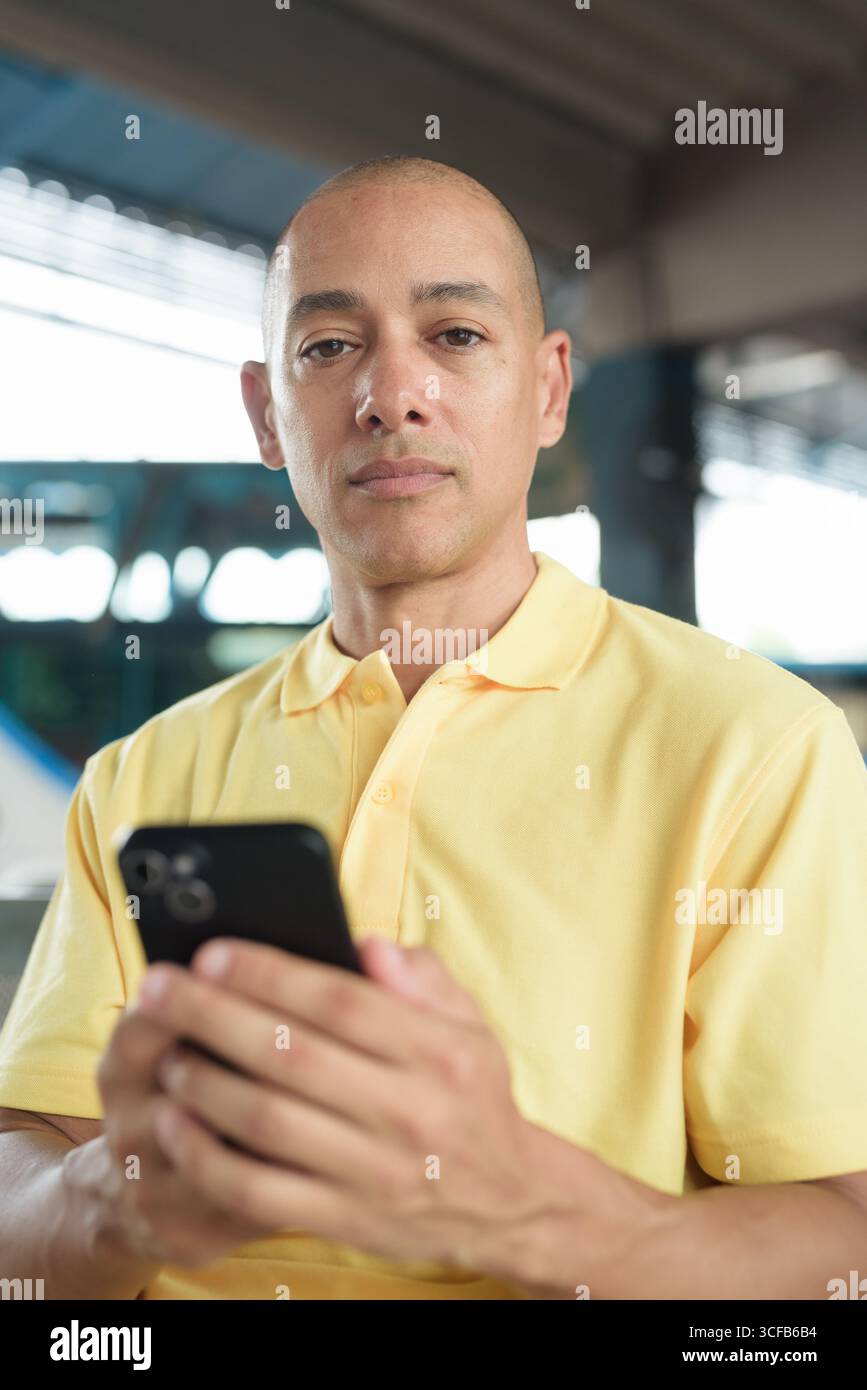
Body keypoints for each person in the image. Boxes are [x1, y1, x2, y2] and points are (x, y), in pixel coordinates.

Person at [1, 155, 866, 1301]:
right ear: (268, 413)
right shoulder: (142, 777)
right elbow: (23, 1190)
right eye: (328, 346)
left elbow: (840, 1242)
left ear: (552, 390)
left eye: (456, 335)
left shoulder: (757, 751)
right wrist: (114, 1194)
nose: (392, 395)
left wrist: (527, 1206)